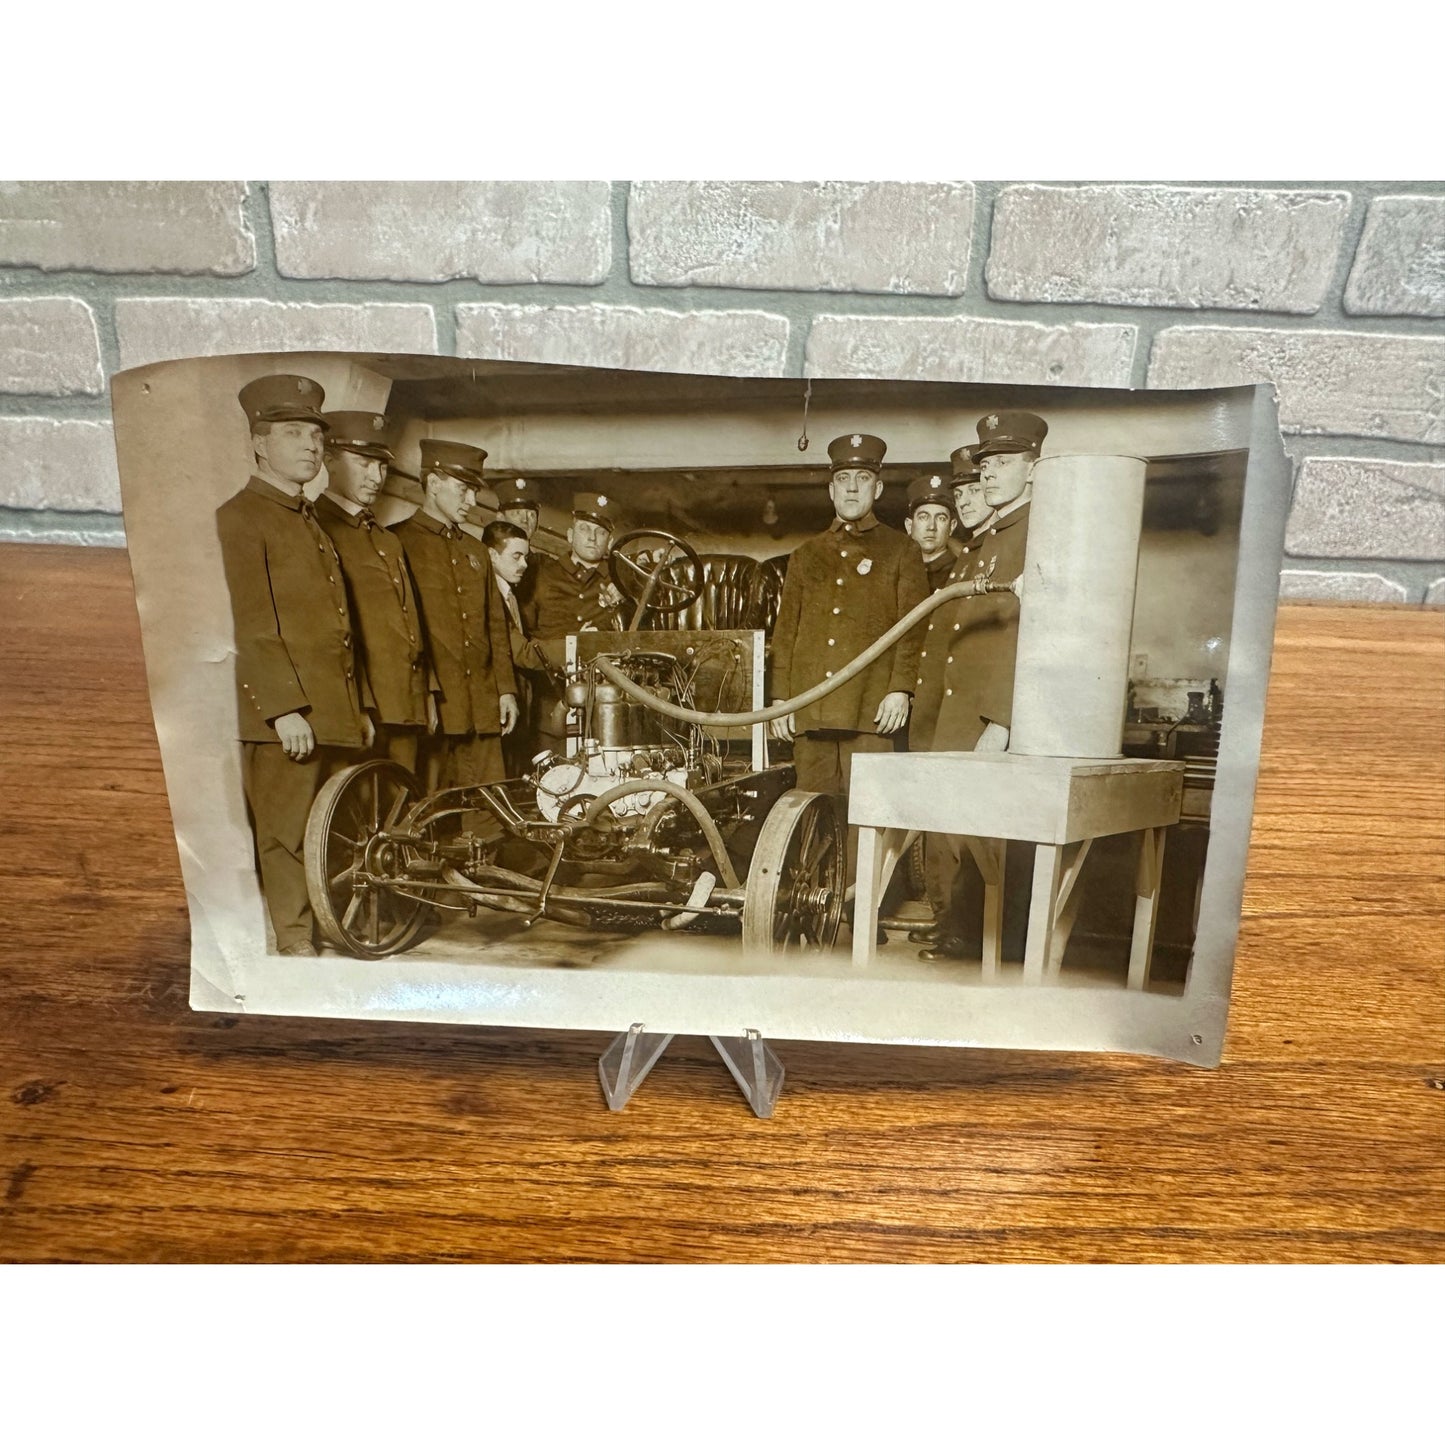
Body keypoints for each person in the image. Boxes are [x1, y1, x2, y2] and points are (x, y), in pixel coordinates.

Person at [215, 374, 373, 956]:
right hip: (286, 713)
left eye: (314, 432)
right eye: (292, 432)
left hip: (331, 709)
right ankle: (295, 942)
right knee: (285, 834)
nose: (310, 444)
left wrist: (357, 712)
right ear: (259, 443)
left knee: (325, 833)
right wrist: (284, 711)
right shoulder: (240, 516)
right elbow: (251, 623)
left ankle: (318, 932)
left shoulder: (308, 520)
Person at [912, 411, 1046, 961]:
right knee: (956, 826)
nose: (989, 474)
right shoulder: (990, 539)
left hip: (986, 712)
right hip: (957, 708)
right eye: (986, 464)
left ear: (1033, 470)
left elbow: (1024, 637)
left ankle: (982, 938)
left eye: (1004, 463)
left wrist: (1002, 719)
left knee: (986, 834)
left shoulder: (1036, 535)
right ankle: (964, 930)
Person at [769, 433, 928, 806]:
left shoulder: (901, 550)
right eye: (843, 479)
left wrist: (901, 689)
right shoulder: (806, 555)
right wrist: (780, 699)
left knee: (869, 819)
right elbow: (786, 631)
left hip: (871, 711)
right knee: (809, 819)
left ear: (878, 487)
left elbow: (914, 628)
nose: (852, 488)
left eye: (863, 478)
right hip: (811, 709)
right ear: (831, 490)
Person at [391, 440, 518, 791]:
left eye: (473, 491)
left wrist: (506, 690)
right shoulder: (396, 543)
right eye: (463, 490)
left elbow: (496, 625)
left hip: (481, 705)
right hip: (436, 707)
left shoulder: (475, 550)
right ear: (433, 483)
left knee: (491, 813)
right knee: (431, 812)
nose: (471, 502)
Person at [314, 411, 436, 774]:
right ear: (329, 461)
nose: (376, 477)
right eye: (364, 463)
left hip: (403, 701)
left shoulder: (386, 539)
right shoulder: (317, 528)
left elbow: (412, 620)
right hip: (360, 704)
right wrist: (358, 704)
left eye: (381, 466)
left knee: (404, 813)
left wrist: (426, 692)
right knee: (359, 813)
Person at [522, 491, 625, 756]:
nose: (592, 537)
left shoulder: (622, 585)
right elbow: (524, 638)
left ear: (610, 541)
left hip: (603, 710)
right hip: (550, 707)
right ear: (569, 535)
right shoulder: (542, 575)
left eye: (600, 532)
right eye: (584, 529)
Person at [483, 517, 561, 774]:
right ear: (492, 555)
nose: (524, 565)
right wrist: (579, 646)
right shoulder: (490, 595)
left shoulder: (509, 593)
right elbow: (521, 652)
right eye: (516, 556)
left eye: (526, 557)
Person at [903, 471, 962, 592]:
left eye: (941, 518)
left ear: (952, 527)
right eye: (924, 517)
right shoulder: (898, 568)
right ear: (909, 525)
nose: (931, 527)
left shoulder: (960, 572)